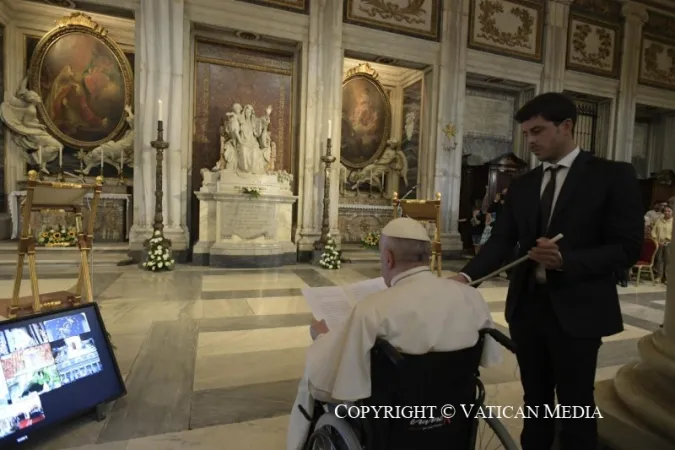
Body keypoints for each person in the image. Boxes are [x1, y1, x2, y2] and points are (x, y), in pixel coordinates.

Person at [450, 92, 643, 450]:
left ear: (566, 126)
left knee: (576, 407)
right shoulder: (523, 184)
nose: (531, 141)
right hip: (528, 310)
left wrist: (567, 260)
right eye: (527, 134)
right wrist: (464, 278)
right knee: (535, 404)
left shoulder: (612, 176)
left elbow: (627, 248)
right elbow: (501, 241)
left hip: (579, 312)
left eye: (538, 131)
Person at [287, 217, 503, 449]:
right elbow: (488, 357)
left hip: (393, 423)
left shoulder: (373, 308)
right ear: (427, 256)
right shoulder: (470, 297)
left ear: (388, 258)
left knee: (311, 381)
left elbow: (332, 380)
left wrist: (321, 338)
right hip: (453, 418)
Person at [651, 205, 672, 284]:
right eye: (665, 211)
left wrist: (667, 240)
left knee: (668, 261)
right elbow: (654, 231)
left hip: (669, 244)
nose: (667, 213)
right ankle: (659, 277)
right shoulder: (659, 220)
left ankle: (667, 278)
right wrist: (656, 240)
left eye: (669, 211)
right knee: (659, 260)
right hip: (659, 243)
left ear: (672, 212)